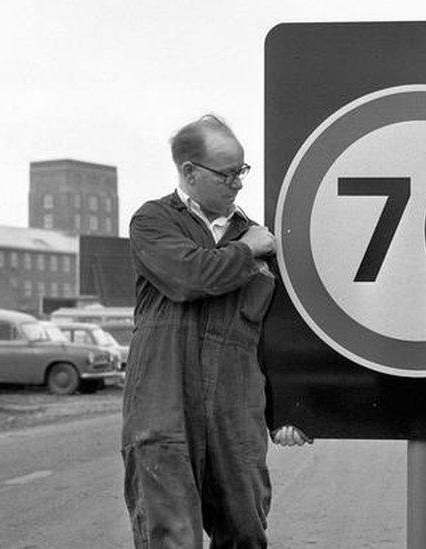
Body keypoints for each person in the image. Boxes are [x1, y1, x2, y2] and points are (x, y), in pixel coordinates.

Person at [122, 114, 308, 548]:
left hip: (235, 416)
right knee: (170, 537)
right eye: (227, 174)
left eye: (241, 172)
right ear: (189, 172)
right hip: (163, 410)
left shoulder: (261, 238)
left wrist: (292, 413)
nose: (238, 183)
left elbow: (278, 340)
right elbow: (190, 277)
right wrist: (246, 253)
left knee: (245, 534)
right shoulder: (152, 222)